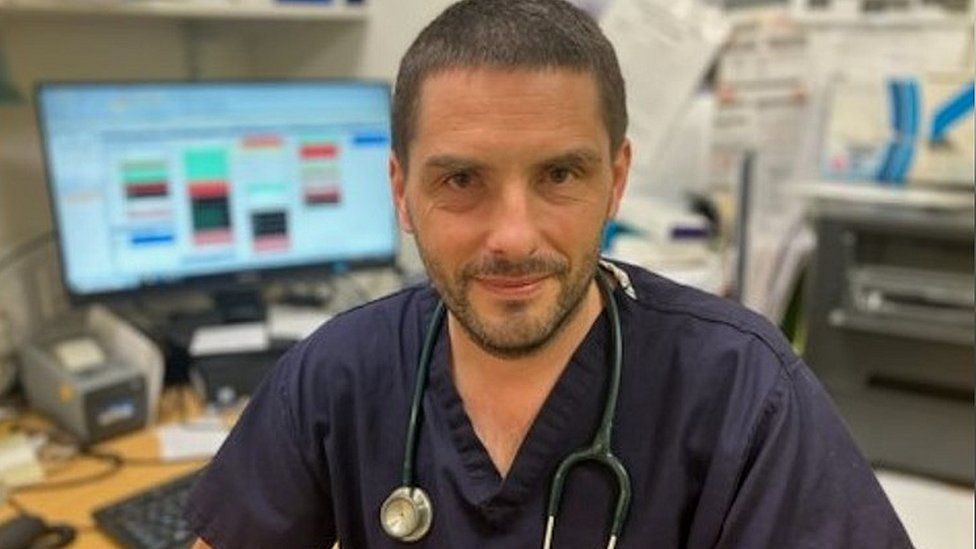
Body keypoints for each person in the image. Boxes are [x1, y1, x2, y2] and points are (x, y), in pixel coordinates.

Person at [187, 1, 912, 547]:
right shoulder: (334, 377)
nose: (513, 236)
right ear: (400, 190)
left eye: (560, 173)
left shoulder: (742, 394)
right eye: (461, 179)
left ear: (616, 180)